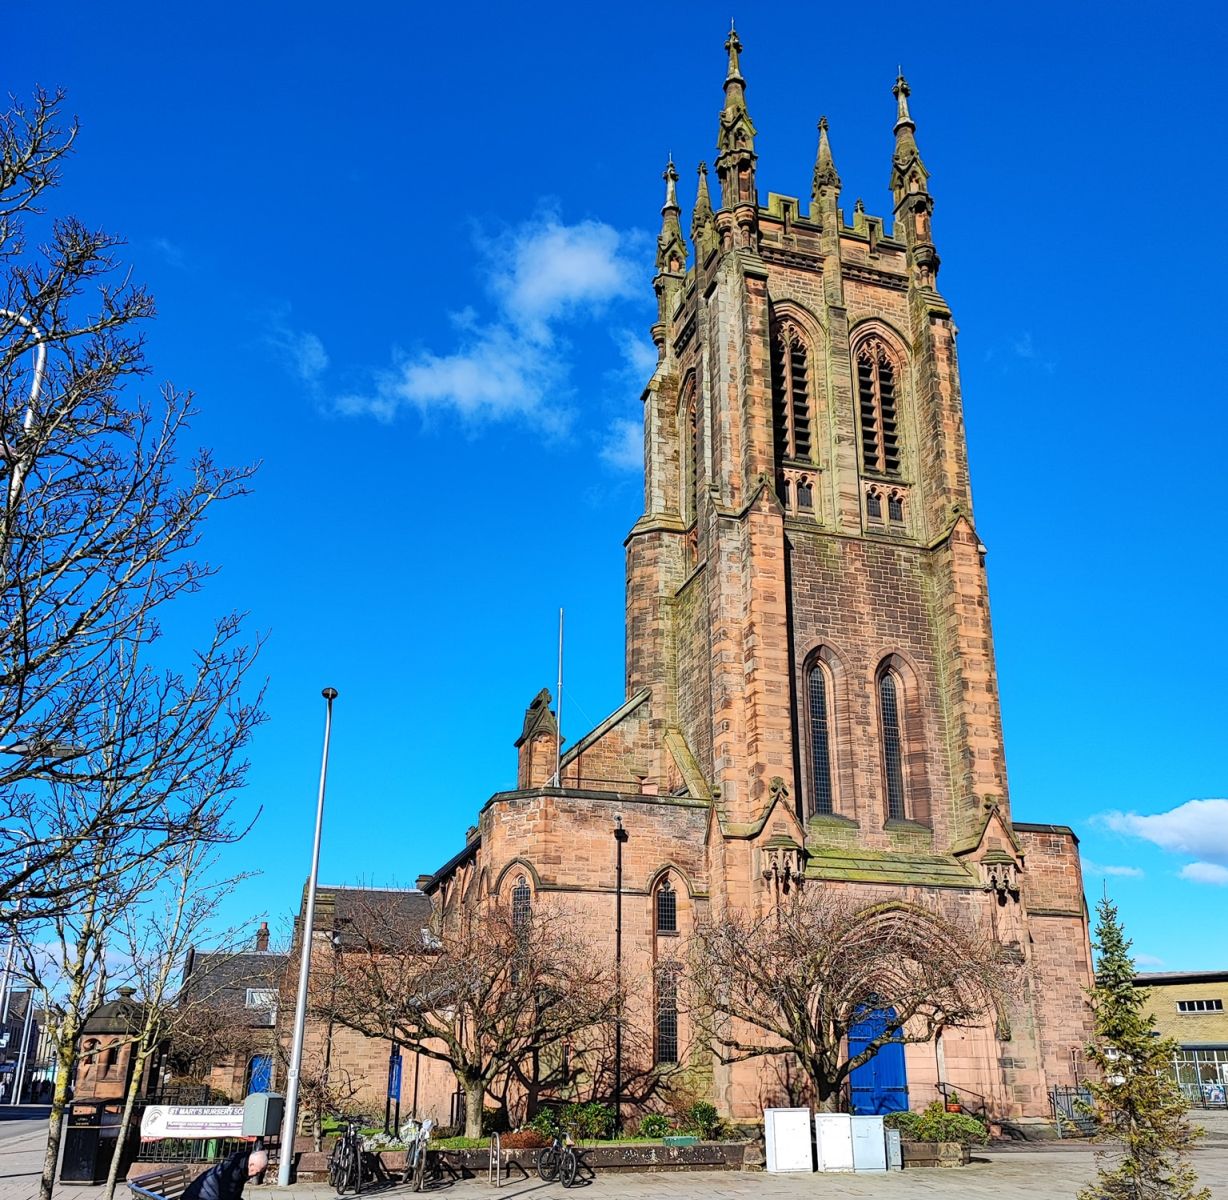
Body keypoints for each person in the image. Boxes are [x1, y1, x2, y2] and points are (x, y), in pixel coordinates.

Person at [182, 1147, 268, 1200]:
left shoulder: (241, 1166)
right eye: (256, 1172)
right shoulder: (232, 1172)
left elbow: (235, 1194)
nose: (255, 1175)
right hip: (197, 1197)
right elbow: (226, 1196)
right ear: (251, 1164)